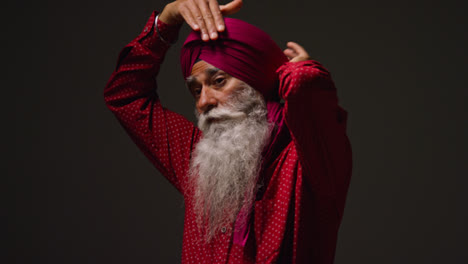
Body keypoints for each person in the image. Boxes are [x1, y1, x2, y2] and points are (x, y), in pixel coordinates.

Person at [103, 0, 352, 263]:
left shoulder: (309, 158)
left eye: (218, 81)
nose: (203, 102)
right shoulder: (197, 156)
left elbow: (306, 85)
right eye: (196, 90)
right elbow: (125, 95)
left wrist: (293, 72)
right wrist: (167, 20)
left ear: (256, 78)